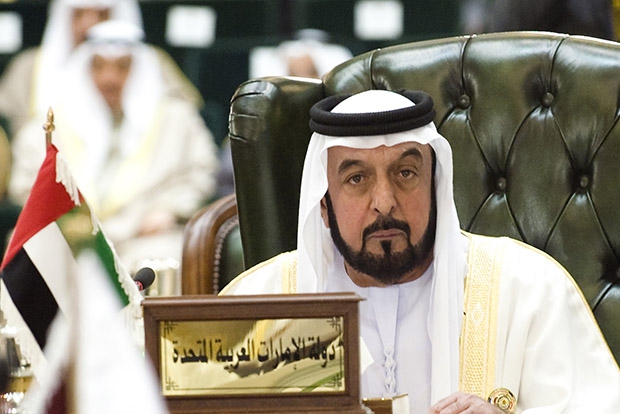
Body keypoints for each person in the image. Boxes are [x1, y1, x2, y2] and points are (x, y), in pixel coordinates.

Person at [220, 89, 620, 412]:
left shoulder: (529, 289)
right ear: (324, 206)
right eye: (357, 178)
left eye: (406, 173)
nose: (384, 202)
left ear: (435, 190)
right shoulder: (258, 305)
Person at [8, 20, 218, 269]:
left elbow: (200, 174)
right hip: (71, 236)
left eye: (122, 67)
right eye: (98, 66)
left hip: (144, 236)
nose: (109, 79)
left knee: (167, 258)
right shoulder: (51, 123)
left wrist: (169, 210)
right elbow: (25, 184)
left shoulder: (178, 120)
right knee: (29, 251)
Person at [0, 0, 202, 138]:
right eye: (78, 14)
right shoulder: (28, 67)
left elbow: (184, 124)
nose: (88, 25)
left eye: (102, 14)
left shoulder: (150, 62)